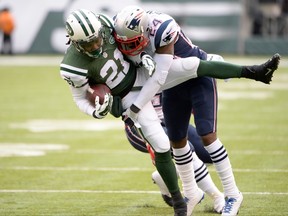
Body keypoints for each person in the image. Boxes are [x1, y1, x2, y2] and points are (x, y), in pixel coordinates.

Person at [60, 9, 279, 216]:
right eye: (89, 44)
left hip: (149, 82)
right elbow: (80, 97)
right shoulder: (74, 64)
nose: (98, 44)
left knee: (192, 69)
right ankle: (193, 197)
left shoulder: (119, 27)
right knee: (168, 145)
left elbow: (157, 73)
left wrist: (141, 59)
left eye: (98, 38)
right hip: (131, 104)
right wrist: (97, 111)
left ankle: (254, 72)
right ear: (75, 42)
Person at [125, 92, 225, 214]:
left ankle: (164, 175)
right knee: (188, 151)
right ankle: (217, 197)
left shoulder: (163, 72)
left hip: (169, 118)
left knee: (207, 154)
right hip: (142, 124)